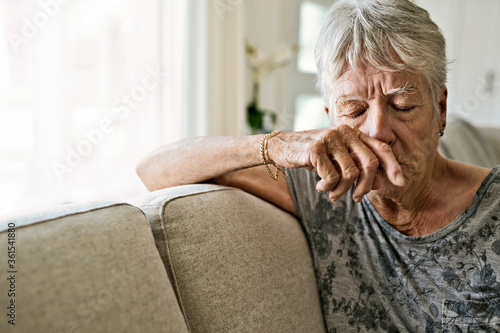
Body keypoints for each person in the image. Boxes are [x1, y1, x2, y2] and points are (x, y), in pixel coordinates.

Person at [137, 0, 500, 331]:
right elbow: (154, 169)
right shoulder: (324, 188)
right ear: (330, 118)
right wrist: (276, 145)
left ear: (440, 110)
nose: (377, 131)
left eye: (402, 104)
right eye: (355, 110)